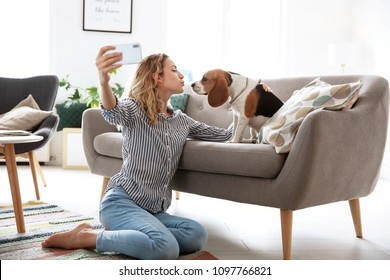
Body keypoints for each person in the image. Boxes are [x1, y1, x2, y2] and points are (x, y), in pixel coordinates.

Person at [41, 46, 232, 259]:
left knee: (196, 235)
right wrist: (104, 81)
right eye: (174, 70)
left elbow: (225, 135)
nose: (181, 76)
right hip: (121, 203)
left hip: (154, 211)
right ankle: (87, 236)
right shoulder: (135, 109)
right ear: (157, 77)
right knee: (166, 249)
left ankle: (137, 236)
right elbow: (112, 111)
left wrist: (261, 108)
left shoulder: (181, 120)